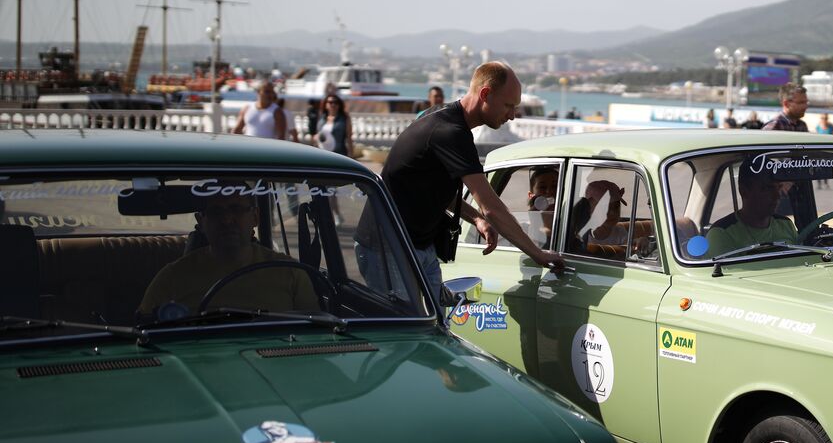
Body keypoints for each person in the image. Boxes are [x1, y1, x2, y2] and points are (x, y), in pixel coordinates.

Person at [364, 61, 565, 296]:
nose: (512, 115)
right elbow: (491, 207)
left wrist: (477, 220)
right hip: (388, 247)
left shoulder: (442, 118)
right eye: (508, 105)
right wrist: (539, 254)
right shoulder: (450, 133)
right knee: (404, 330)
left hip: (418, 244)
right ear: (485, 94)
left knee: (434, 324)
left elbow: (430, 187)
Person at [139, 190, 319, 319]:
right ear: (201, 221)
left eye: (237, 209)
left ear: (255, 217)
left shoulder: (290, 272)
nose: (227, 219)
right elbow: (142, 331)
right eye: (216, 212)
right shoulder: (173, 277)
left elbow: (316, 331)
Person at [704, 168, 799, 257]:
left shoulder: (786, 225)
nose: (777, 195)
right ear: (744, 191)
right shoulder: (721, 234)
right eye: (767, 188)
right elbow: (729, 272)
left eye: (778, 187)